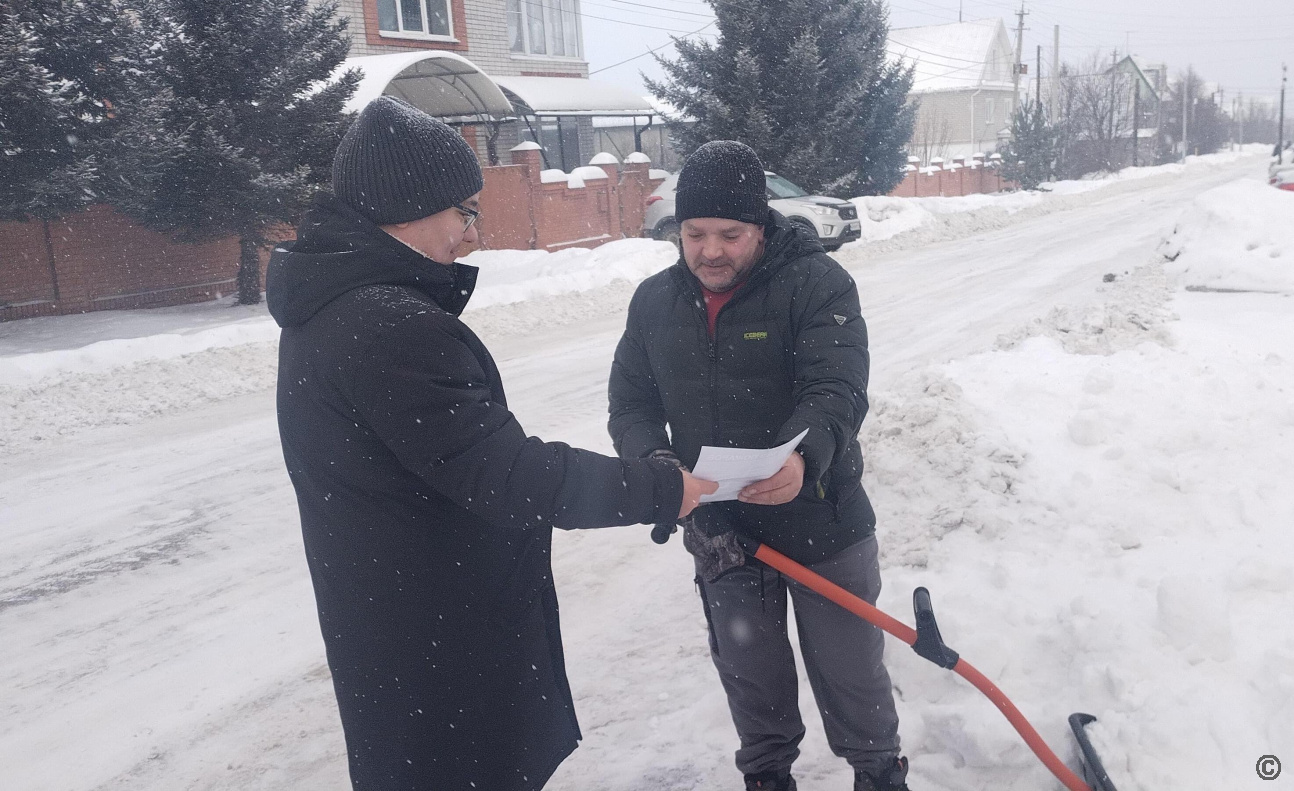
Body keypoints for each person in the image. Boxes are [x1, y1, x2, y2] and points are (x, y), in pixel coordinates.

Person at [267, 96, 715, 791]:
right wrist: (662, 487)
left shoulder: (333, 309)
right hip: (441, 648)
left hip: (398, 635)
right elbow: (507, 473)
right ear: (409, 206)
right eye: (464, 211)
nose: (472, 235)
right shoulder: (388, 325)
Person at [608, 141, 910, 791]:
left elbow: (836, 388)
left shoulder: (818, 284)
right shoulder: (654, 304)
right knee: (751, 670)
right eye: (694, 233)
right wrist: (656, 464)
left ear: (762, 224)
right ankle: (768, 778)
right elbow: (630, 403)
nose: (709, 250)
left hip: (822, 516)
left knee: (850, 666)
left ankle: (879, 773)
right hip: (723, 528)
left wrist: (803, 455)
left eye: (729, 233)